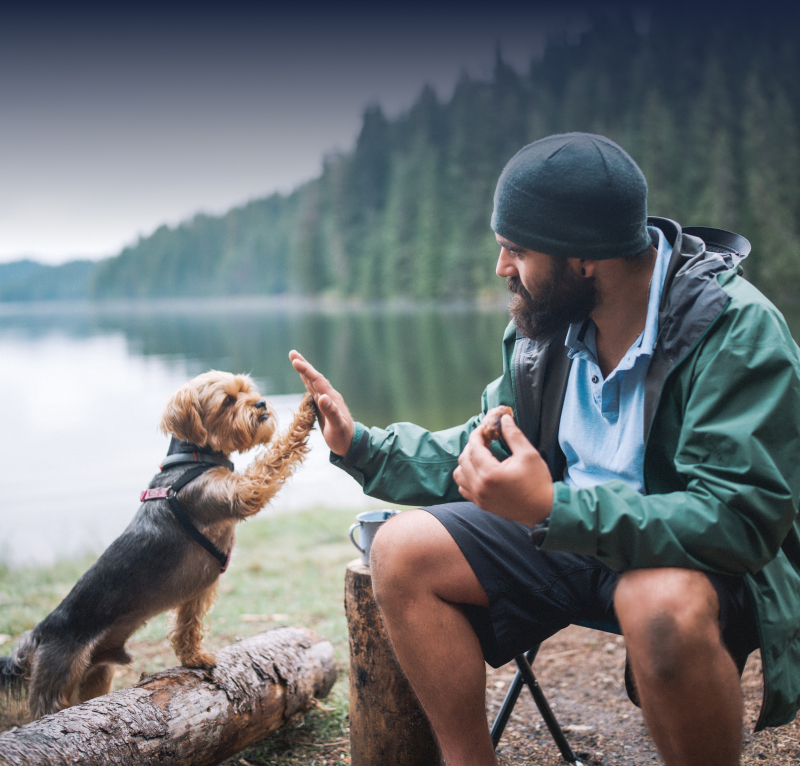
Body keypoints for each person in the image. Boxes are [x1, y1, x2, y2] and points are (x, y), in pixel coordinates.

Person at [290, 132, 800, 766]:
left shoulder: (736, 330)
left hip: (693, 561)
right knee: (401, 550)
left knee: (657, 603)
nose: (502, 268)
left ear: (583, 257)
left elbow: (740, 520)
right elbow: (485, 443)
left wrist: (553, 509)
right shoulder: (544, 326)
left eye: (515, 250)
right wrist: (364, 446)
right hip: (565, 535)